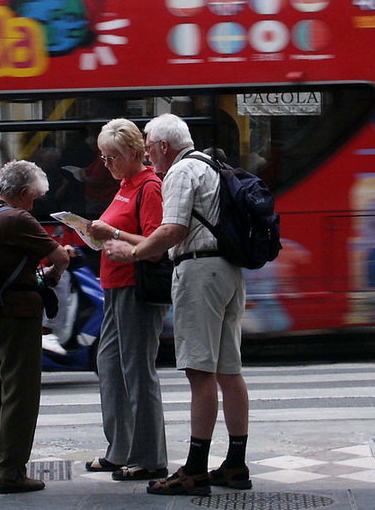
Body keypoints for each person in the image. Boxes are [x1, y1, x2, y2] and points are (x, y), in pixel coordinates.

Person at [104, 113, 252, 496]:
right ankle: (236, 462)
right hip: (229, 271)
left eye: (150, 147)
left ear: (163, 146)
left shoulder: (182, 172)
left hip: (200, 273)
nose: (149, 156)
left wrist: (133, 251)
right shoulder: (211, 165)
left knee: (199, 372)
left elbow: (172, 230)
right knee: (229, 371)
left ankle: (195, 468)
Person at [0, 160, 71, 494]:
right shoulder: (18, 218)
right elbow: (59, 257)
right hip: (16, 316)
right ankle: (13, 472)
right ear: (21, 193)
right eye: (33, 197)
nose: (34, 205)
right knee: (20, 394)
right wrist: (50, 276)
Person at [83, 118, 167, 481]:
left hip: (136, 287)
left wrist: (112, 232)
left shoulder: (149, 187)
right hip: (115, 287)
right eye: (103, 158)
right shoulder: (125, 185)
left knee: (136, 371)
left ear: (134, 153)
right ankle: (120, 449)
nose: (107, 164)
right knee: (111, 367)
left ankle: (150, 457)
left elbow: (156, 243)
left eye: (112, 157)